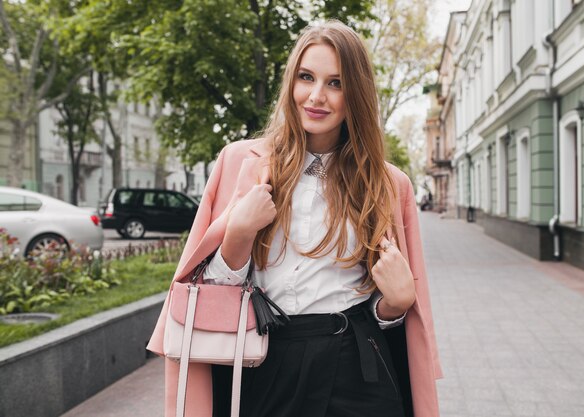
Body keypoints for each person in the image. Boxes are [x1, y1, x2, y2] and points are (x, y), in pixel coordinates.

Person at [147, 20, 442, 417]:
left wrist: (396, 304)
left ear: (356, 92)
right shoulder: (239, 163)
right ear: (291, 82)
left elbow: (381, 302)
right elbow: (207, 292)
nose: (317, 96)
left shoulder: (388, 184)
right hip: (267, 362)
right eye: (307, 77)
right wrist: (238, 234)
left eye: (336, 83)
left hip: (358, 367)